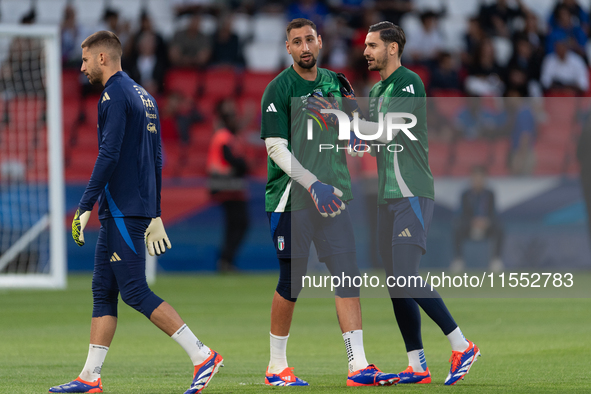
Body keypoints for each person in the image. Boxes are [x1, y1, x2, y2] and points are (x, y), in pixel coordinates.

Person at [48, 31, 222, 394]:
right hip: (131, 207)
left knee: (134, 291)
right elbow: (157, 158)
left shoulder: (113, 96)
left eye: (84, 60)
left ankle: (203, 355)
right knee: (102, 290)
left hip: (122, 208)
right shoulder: (145, 95)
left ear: (101, 58)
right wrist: (155, 212)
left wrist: (84, 206)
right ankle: (90, 377)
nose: (80, 68)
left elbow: (108, 155)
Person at [260, 18, 399, 387]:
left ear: (320, 42)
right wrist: (312, 184)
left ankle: (359, 366)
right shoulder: (278, 89)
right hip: (292, 199)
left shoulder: (338, 84)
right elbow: (275, 148)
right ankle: (276, 367)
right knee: (291, 282)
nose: (304, 47)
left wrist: (336, 120)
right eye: (296, 42)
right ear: (287, 48)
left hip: (334, 196)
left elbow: (359, 138)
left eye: (310, 39)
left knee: (348, 277)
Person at [347, 21, 480, 385]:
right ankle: (417, 365)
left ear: (392, 48)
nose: (365, 51)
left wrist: (354, 124)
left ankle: (462, 345)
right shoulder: (375, 93)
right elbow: (373, 141)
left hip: (412, 192)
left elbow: (392, 128)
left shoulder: (409, 82)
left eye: (372, 45)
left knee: (405, 276)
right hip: (386, 197)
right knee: (394, 282)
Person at [207, 99, 249, 272]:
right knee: (239, 223)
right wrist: (241, 165)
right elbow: (234, 161)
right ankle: (225, 260)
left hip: (229, 186)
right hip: (225, 185)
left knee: (235, 224)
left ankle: (226, 260)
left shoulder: (230, 137)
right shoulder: (224, 137)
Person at [450, 166, 505, 273]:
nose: (478, 181)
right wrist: (472, 222)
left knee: (500, 227)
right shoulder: (465, 195)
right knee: (457, 227)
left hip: (486, 227)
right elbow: (462, 214)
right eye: (475, 178)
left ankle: (496, 260)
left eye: (480, 178)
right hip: (469, 226)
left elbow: (493, 213)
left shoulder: (490, 194)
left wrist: (486, 221)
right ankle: (458, 260)